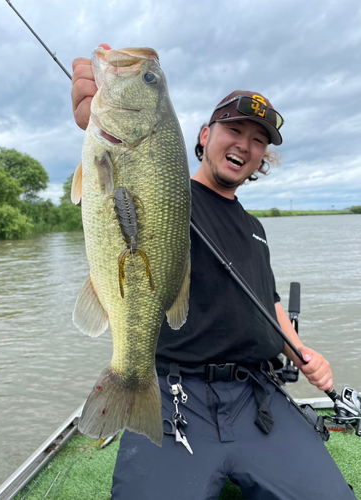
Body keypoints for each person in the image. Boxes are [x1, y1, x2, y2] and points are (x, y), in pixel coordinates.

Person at [71, 45, 356, 500]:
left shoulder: (255, 228)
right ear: (204, 135)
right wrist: (97, 123)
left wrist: (301, 349)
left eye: (258, 139)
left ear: (262, 157)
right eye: (234, 129)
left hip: (257, 396)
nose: (245, 144)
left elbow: (268, 302)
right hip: (175, 391)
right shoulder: (172, 196)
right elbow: (125, 192)